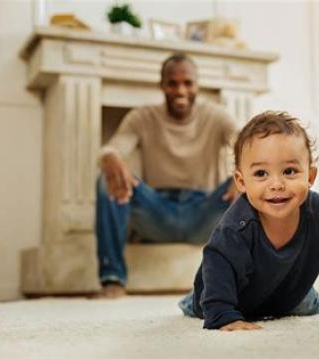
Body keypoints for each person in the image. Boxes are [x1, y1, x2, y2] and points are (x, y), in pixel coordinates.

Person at [178, 111, 319, 330]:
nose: (276, 184)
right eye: (261, 174)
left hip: (288, 294)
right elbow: (217, 261)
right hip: (231, 294)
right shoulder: (235, 227)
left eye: (289, 171)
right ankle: (192, 300)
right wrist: (223, 315)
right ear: (241, 182)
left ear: (310, 177)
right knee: (204, 300)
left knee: (303, 302)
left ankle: (307, 298)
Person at [93, 53, 239, 298]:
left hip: (204, 213)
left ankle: (250, 280)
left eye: (187, 83)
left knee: (252, 181)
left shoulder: (216, 115)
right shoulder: (142, 116)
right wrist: (109, 157)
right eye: (172, 83)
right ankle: (113, 279)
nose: (180, 90)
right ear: (162, 86)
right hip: (157, 212)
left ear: (197, 85)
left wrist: (243, 171)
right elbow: (114, 148)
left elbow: (243, 141)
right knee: (106, 179)